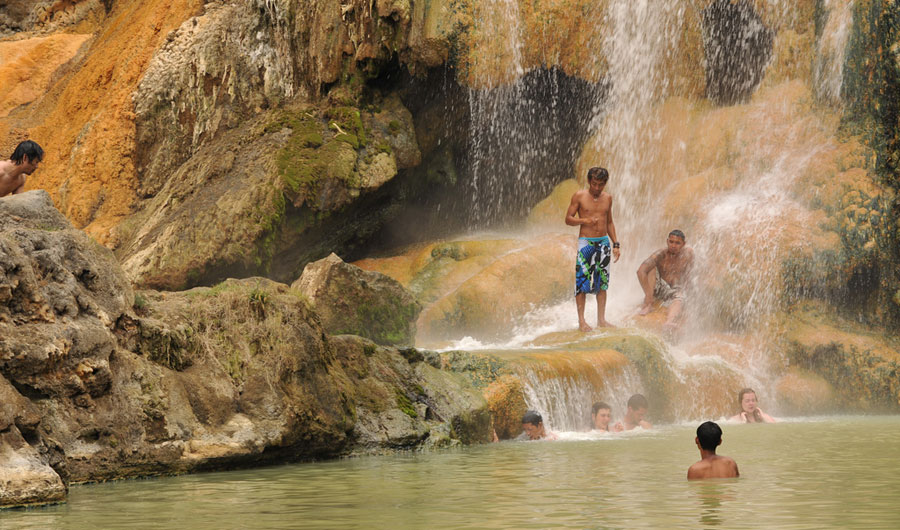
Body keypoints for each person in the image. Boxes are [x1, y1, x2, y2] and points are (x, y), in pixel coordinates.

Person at [565, 167, 621, 331]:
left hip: (603, 243)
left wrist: (615, 243)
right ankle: (582, 321)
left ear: (605, 184)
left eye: (601, 185)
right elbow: (568, 219)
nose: (597, 188)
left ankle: (601, 320)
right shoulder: (579, 196)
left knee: (602, 283)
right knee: (582, 282)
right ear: (589, 181)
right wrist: (584, 221)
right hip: (586, 243)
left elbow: (609, 221)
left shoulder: (608, 198)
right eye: (594, 184)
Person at [636, 229, 694, 332]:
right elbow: (641, 271)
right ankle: (649, 304)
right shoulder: (660, 254)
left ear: (683, 244)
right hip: (658, 287)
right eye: (671, 242)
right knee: (651, 268)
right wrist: (648, 296)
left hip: (674, 289)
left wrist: (688, 294)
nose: (673, 245)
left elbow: (688, 274)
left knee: (679, 296)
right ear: (667, 241)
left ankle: (669, 322)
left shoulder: (688, 254)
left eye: (677, 243)